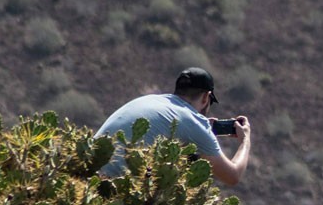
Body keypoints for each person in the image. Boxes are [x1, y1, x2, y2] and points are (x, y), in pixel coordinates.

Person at [95, 67, 252, 185]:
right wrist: (245, 140)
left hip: (87, 175)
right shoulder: (193, 122)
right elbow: (233, 176)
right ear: (206, 97)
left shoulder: (150, 100)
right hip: (113, 188)